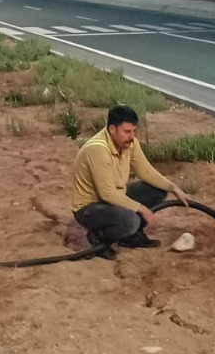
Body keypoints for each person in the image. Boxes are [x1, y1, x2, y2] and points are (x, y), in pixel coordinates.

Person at [72, 104, 188, 259]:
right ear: (112, 129)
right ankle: (98, 237)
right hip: (90, 208)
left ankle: (130, 237)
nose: (132, 136)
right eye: (127, 132)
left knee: (158, 190)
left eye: (134, 131)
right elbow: (107, 194)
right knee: (131, 220)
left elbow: (145, 171)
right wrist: (141, 209)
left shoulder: (129, 143)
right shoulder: (98, 150)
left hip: (113, 198)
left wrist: (173, 188)